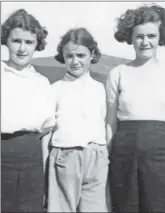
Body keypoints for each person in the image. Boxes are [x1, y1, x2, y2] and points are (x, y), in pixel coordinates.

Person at [106, 4, 165, 213]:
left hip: (163, 152)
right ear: (130, 37)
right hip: (124, 152)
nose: (145, 42)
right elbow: (110, 121)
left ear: (160, 37)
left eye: (151, 36)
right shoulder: (118, 73)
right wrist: (108, 154)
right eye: (139, 36)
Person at [44, 27, 109, 212]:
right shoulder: (56, 89)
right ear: (62, 57)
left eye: (81, 55)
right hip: (65, 156)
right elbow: (47, 131)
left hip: (97, 156)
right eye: (69, 56)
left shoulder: (100, 89)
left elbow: (105, 122)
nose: (75, 61)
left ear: (92, 54)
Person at [1, 9, 55, 212]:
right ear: (6, 41)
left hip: (31, 157)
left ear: (36, 45)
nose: (22, 48)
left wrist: (41, 172)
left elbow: (45, 133)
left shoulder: (41, 83)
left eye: (29, 42)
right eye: (16, 41)